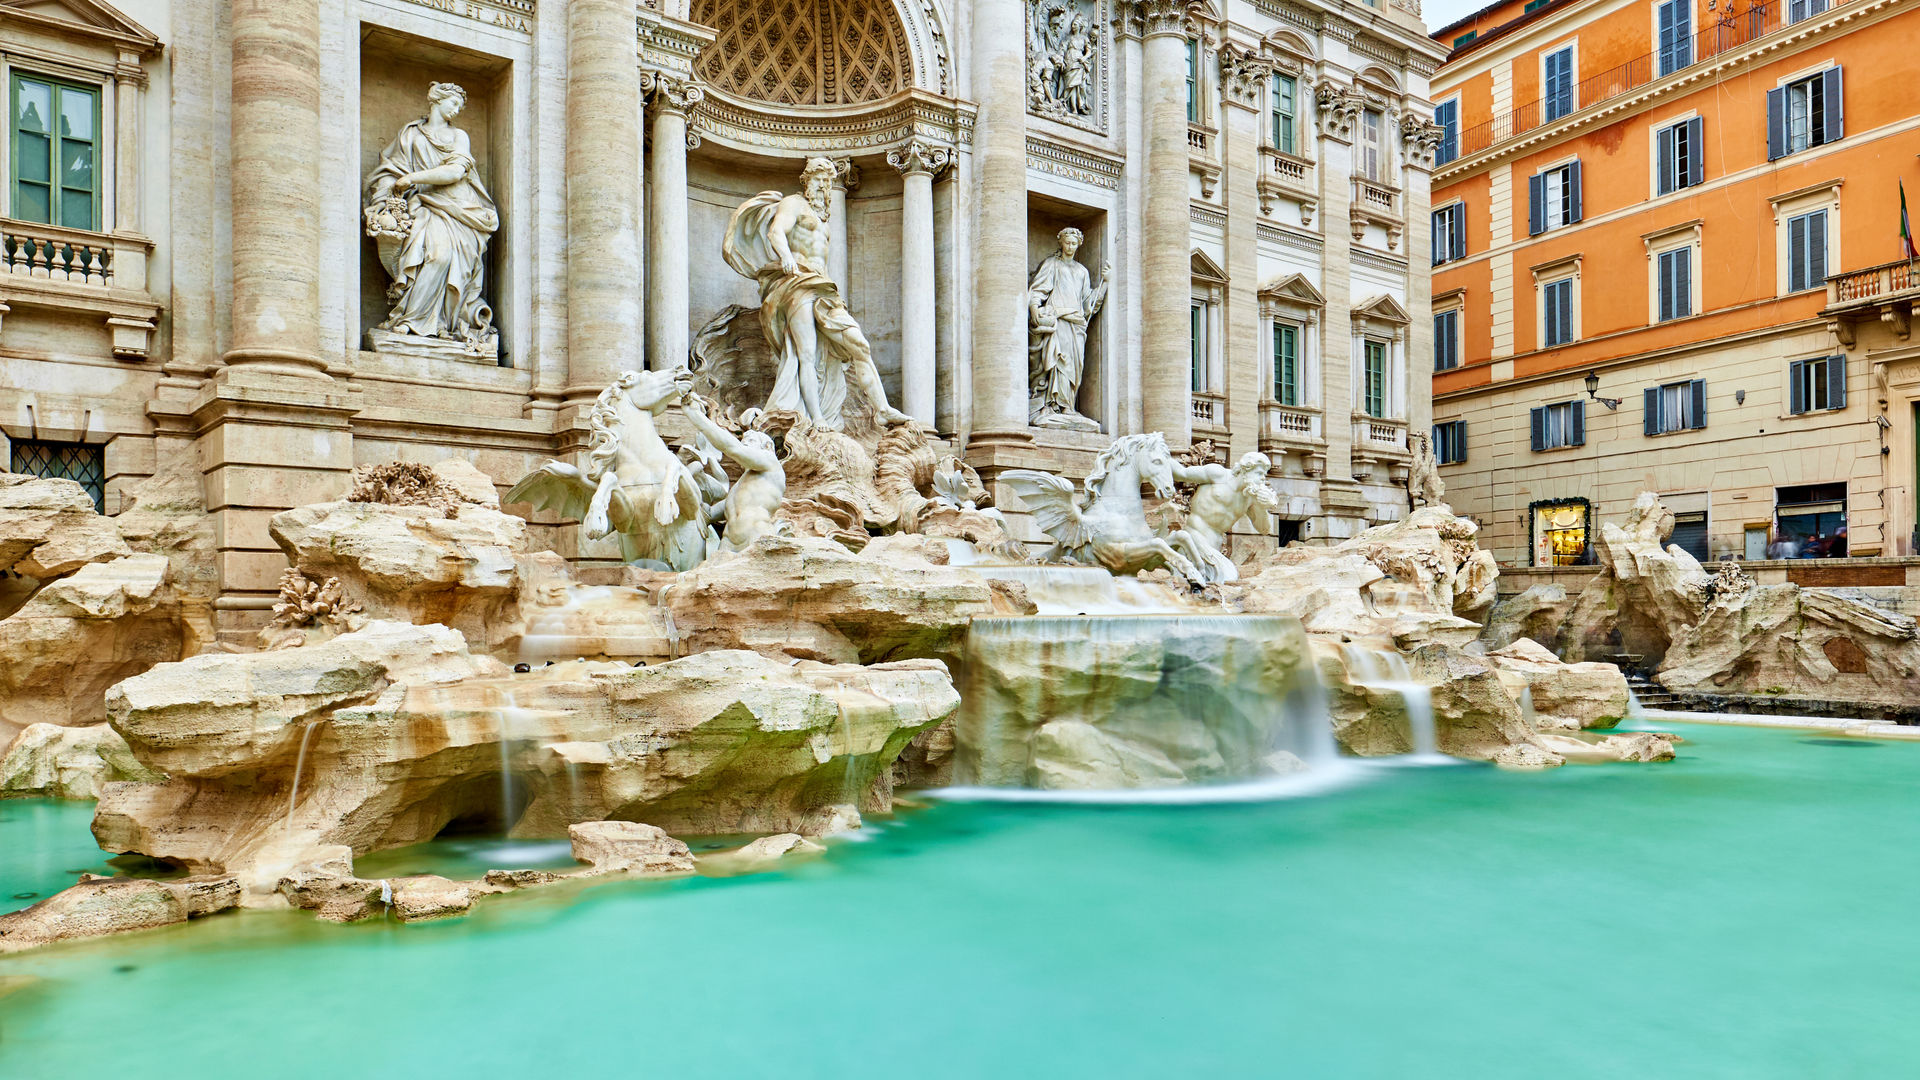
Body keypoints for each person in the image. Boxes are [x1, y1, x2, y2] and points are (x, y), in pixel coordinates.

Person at [721, 159, 912, 431]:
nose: (823, 185)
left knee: (860, 345)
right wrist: (786, 256)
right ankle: (816, 418)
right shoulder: (794, 204)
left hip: (823, 287)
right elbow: (776, 231)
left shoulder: (823, 217)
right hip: (797, 282)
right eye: (818, 179)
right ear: (806, 180)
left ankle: (882, 409)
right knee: (806, 354)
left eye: (827, 180)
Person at [364, 83, 500, 344]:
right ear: (437, 100)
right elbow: (391, 170)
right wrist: (386, 195)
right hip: (422, 206)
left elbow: (455, 172)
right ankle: (414, 320)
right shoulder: (410, 134)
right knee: (429, 256)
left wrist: (412, 178)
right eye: (453, 103)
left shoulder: (459, 136)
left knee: (443, 257)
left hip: (458, 208)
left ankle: (436, 323)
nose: (457, 109)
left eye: (460, 106)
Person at [679, 396, 786, 553]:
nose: (744, 444)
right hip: (728, 541)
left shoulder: (771, 464)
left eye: (750, 441)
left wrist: (696, 416)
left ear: (767, 446)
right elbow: (712, 512)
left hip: (756, 534)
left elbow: (734, 448)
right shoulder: (743, 484)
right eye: (743, 441)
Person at [1027, 227, 1110, 426]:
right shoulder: (1051, 264)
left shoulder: (1082, 271)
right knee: (1057, 362)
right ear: (1061, 243)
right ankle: (1050, 403)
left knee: (1074, 367)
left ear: (1078, 244)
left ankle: (1068, 406)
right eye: (1067, 243)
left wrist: (1105, 283)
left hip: (1076, 324)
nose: (1070, 247)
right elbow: (1037, 290)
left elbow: (1088, 303)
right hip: (1059, 321)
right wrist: (1034, 308)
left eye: (1074, 243)